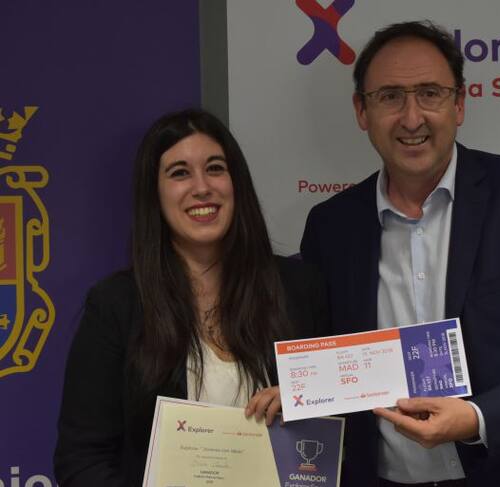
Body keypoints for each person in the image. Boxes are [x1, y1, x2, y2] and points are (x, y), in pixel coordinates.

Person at [300, 21, 500, 487]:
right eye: (390, 97)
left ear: (460, 104)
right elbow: (324, 366)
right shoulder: (331, 227)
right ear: (362, 111)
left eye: (430, 93)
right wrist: (297, 392)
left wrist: (478, 418)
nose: (412, 118)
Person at [54, 109, 327, 486]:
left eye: (215, 168)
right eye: (179, 173)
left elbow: (347, 416)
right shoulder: (116, 305)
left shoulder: (299, 288)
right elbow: (81, 460)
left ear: (236, 183)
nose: (202, 187)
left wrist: (310, 398)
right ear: (155, 193)